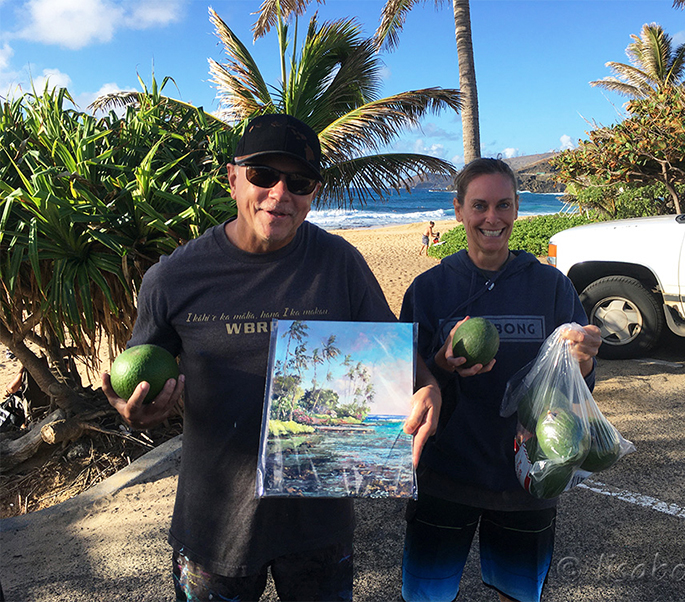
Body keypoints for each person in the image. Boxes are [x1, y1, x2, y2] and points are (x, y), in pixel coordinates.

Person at [102, 114, 440, 601]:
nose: (280, 193)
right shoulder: (174, 278)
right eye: (263, 175)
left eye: (298, 181)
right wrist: (136, 410)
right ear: (233, 177)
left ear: (313, 191)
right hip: (215, 525)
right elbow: (141, 373)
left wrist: (425, 384)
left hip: (319, 522)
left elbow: (393, 348)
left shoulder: (340, 262)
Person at [399, 158, 601, 602]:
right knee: (426, 594)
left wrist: (585, 358)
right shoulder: (429, 289)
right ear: (458, 210)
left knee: (519, 594)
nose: (492, 218)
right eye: (479, 205)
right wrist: (443, 363)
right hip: (444, 476)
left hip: (527, 479)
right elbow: (407, 381)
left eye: (503, 205)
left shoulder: (550, 287)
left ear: (516, 209)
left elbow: (578, 383)